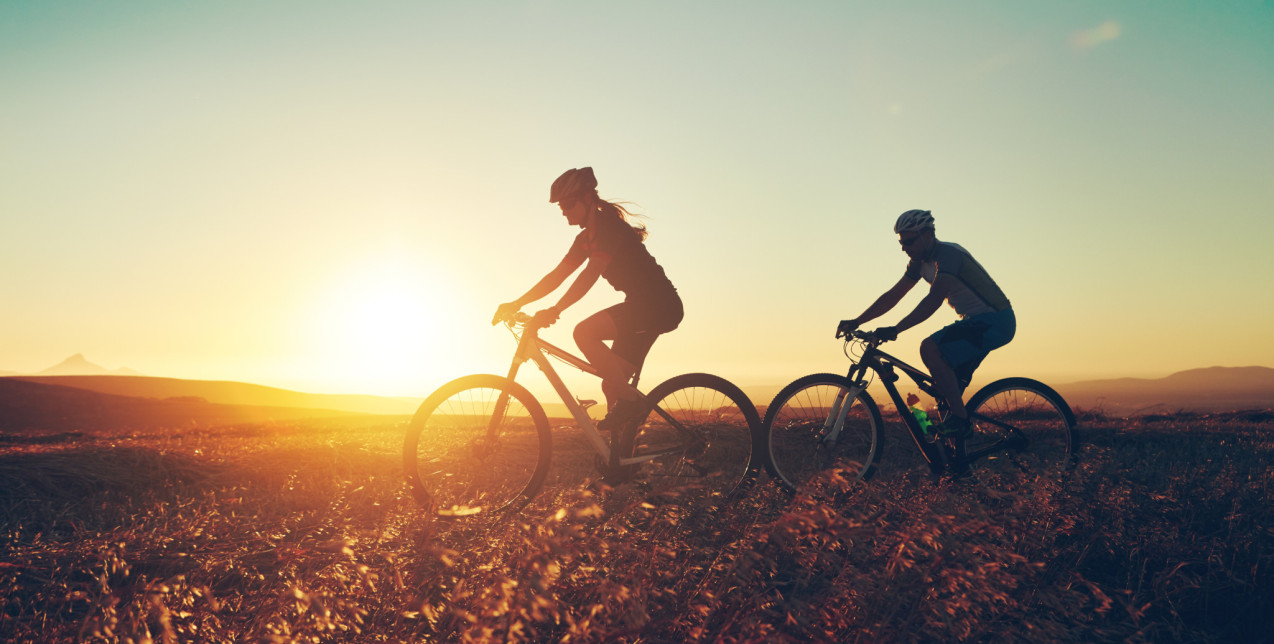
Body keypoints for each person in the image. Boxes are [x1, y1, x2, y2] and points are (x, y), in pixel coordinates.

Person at [493, 167, 683, 431]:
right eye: (561, 206)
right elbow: (556, 276)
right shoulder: (585, 239)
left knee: (584, 333)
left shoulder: (609, 228)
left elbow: (590, 274)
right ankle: (623, 462)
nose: (564, 211)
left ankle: (631, 404)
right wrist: (517, 303)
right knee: (611, 384)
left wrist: (556, 309)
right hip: (641, 307)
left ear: (588, 199)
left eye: (568, 204)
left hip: (658, 305)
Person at [836, 209, 1015, 453]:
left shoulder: (948, 254)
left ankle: (961, 423)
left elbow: (934, 299)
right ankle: (957, 465)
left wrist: (896, 328)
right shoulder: (919, 263)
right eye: (901, 242)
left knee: (930, 348)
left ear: (928, 235)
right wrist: (857, 321)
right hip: (976, 322)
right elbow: (893, 296)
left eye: (909, 241)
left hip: (995, 321)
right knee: (944, 391)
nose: (904, 247)